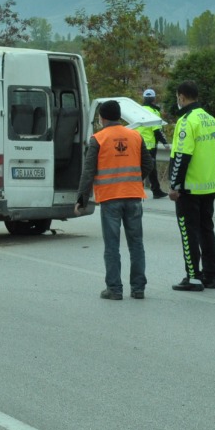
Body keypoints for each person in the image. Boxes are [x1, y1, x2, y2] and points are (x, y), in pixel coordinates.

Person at [74, 98, 151, 299]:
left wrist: (81, 200)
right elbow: (148, 164)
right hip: (133, 196)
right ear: (119, 116)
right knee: (136, 244)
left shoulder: (98, 139)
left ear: (102, 118)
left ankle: (115, 289)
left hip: (110, 199)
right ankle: (138, 289)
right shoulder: (135, 136)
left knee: (112, 245)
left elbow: (88, 171)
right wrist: (134, 180)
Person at [166, 81, 215, 292]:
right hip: (209, 185)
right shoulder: (212, 120)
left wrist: (175, 185)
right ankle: (211, 275)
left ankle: (193, 276)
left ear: (181, 97)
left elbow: (181, 155)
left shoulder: (186, 122)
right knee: (207, 230)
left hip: (189, 188)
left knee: (189, 232)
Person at [136, 88, 168, 199]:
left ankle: (152, 190)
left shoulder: (137, 110)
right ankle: (155, 190)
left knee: (140, 168)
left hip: (137, 144)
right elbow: (157, 130)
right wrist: (165, 143)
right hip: (149, 145)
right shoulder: (154, 111)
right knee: (151, 168)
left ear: (144, 98)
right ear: (154, 98)